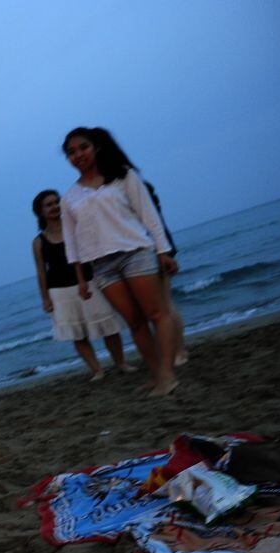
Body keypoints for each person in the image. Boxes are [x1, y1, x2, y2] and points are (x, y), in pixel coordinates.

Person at [60, 127, 179, 397]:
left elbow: (148, 215)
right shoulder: (69, 198)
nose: (78, 154)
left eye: (83, 147)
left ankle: (167, 374)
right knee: (134, 322)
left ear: (96, 147)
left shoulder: (123, 176)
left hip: (135, 252)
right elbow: (73, 243)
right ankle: (156, 373)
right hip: (101, 266)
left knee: (157, 314)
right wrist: (81, 279)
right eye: (71, 152)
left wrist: (164, 251)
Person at [31, 190, 134, 380]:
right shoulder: (38, 242)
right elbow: (41, 272)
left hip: (89, 282)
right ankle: (97, 370)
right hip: (60, 291)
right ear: (40, 212)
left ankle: (120, 363)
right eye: (49, 205)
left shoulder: (76, 228)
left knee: (108, 325)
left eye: (56, 202)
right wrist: (45, 298)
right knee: (77, 333)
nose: (54, 207)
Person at [144, 181, 189, 366]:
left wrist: (164, 253)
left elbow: (154, 225)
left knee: (164, 305)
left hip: (154, 251)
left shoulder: (137, 188)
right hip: (150, 252)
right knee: (161, 306)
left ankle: (179, 351)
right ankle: (175, 350)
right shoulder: (137, 187)